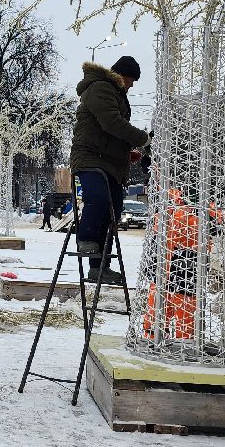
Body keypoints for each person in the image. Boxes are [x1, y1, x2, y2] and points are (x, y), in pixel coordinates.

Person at [70, 54, 150, 285]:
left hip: (110, 163)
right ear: (121, 75)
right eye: (131, 79)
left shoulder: (116, 94)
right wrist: (143, 140)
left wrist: (126, 152)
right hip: (90, 159)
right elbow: (112, 123)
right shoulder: (100, 88)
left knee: (112, 213)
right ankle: (85, 240)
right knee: (98, 198)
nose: (132, 85)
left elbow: (109, 133)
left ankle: (99, 267)